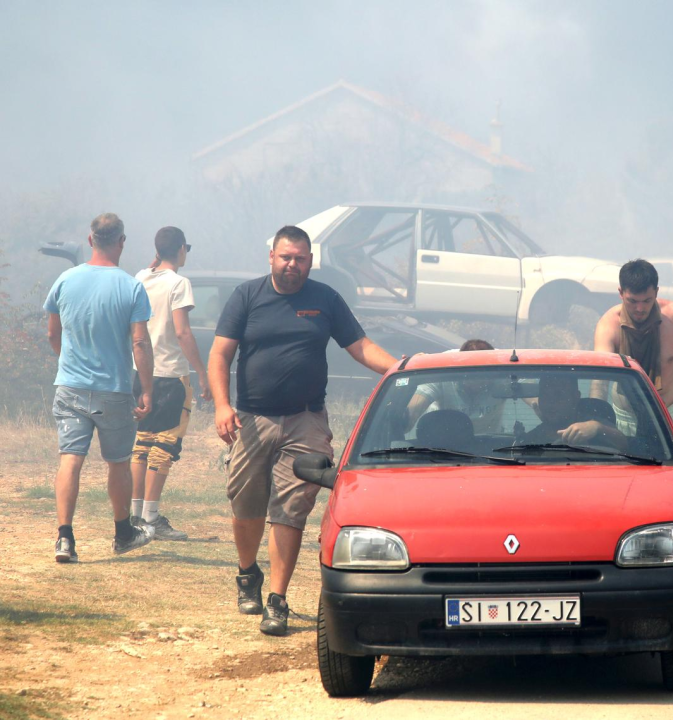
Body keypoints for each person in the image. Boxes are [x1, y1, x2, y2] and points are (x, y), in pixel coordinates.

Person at [209, 225, 398, 636]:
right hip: (253, 418)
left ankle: (276, 599)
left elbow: (360, 346)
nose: (292, 265)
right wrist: (223, 404)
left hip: (307, 420)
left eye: (300, 258)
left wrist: (402, 369)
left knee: (291, 508)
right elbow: (220, 354)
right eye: (285, 257)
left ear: (310, 261)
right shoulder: (247, 296)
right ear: (271, 257)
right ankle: (247, 575)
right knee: (245, 503)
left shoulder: (326, 299)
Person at [43, 213, 156, 562]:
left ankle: (65, 538)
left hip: (71, 387)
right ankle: (123, 533)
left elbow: (52, 333)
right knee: (118, 463)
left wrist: (69, 362)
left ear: (90, 240)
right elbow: (140, 342)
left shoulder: (65, 279)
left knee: (70, 460)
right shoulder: (131, 287)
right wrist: (147, 389)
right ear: (121, 241)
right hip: (114, 390)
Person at [129, 227, 212, 541]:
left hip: (141, 372)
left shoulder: (141, 277)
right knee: (163, 447)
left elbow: (152, 268)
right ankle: (151, 518)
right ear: (180, 249)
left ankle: (137, 516)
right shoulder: (179, 283)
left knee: (141, 445)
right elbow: (183, 333)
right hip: (171, 375)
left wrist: (158, 257)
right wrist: (201, 373)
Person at [593, 259, 673, 458]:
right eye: (632, 301)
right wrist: (595, 420)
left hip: (670, 411)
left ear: (656, 293)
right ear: (620, 293)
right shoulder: (609, 324)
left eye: (647, 301)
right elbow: (599, 379)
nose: (640, 309)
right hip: (626, 416)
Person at [406, 339, 505, 433]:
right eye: (472, 378)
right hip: (442, 444)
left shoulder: (504, 368)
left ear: (492, 375)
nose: (480, 384)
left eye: (485, 378)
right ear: (462, 373)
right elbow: (410, 416)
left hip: (493, 446)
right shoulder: (439, 371)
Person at [522, 374, 628, 449]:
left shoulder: (592, 428)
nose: (551, 402)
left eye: (558, 395)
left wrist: (598, 428)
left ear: (575, 397)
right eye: (545, 395)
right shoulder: (529, 441)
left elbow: (625, 444)